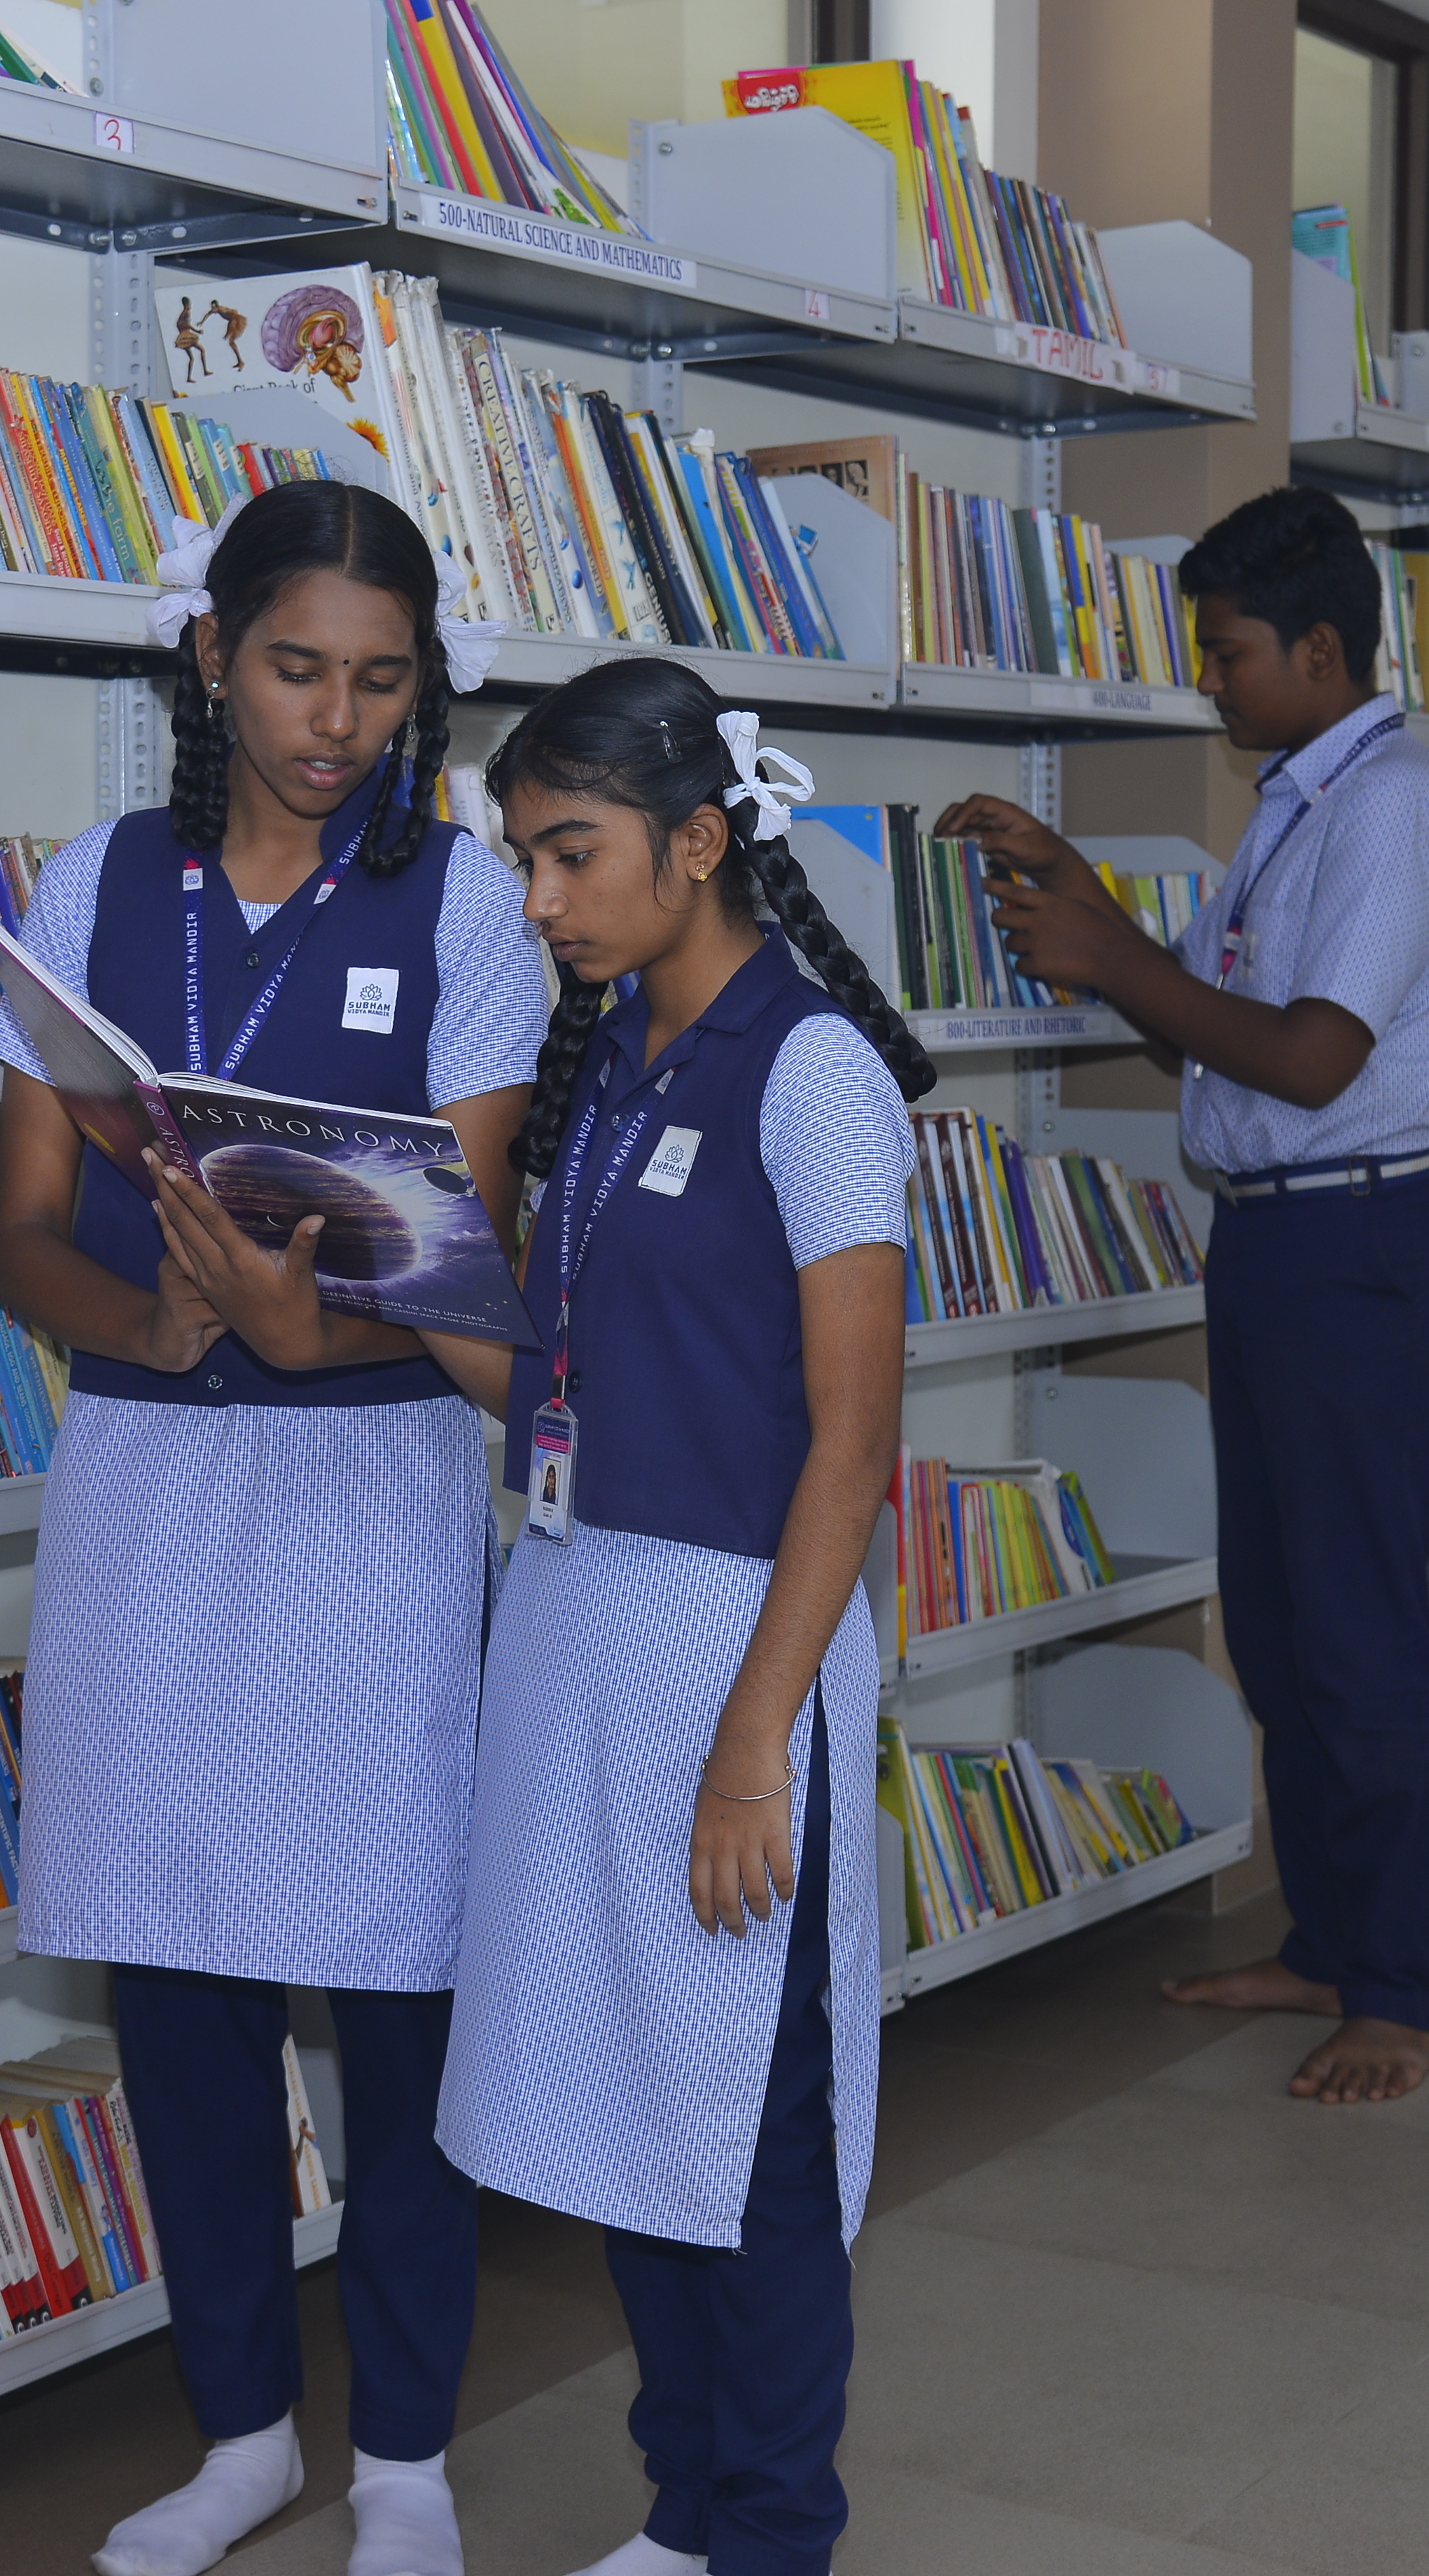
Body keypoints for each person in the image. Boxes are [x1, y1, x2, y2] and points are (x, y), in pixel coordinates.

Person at [0, 479, 545, 2576]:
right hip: (147, 1478)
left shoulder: (469, 907)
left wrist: (311, 1322)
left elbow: (457, 1250)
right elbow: (20, 1234)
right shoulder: (98, 882)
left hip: (371, 1485)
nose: (336, 721)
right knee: (182, 1975)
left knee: (394, 1978)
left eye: (383, 684)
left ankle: (404, 2451)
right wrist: (157, 1310)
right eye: (298, 667)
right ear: (210, 658)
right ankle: (240, 2436)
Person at [412, 657, 927, 2576]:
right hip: (579, 1626)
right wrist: (356, 1260)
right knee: (633, 2101)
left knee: (747, 2126)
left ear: (699, 843)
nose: (538, 899)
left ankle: (774, 2528)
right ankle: (689, 2511)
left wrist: (752, 1742)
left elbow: (853, 1448)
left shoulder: (818, 1077)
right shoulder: (616, 1057)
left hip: (735, 1645)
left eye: (572, 853)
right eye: (523, 857)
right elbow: (562, 1382)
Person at [937, 482, 1429, 2108]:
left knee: (1355, 1624)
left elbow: (1316, 1060)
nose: (1211, 682)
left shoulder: (1392, 808)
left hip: (1362, 1233)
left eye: (1230, 653)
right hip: (1281, 1232)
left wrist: (1113, 959)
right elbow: (1223, 1026)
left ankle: (1402, 1986)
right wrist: (1103, 919)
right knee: (1279, 1614)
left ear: (1323, 648)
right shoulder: (1300, 800)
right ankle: (1330, 1938)